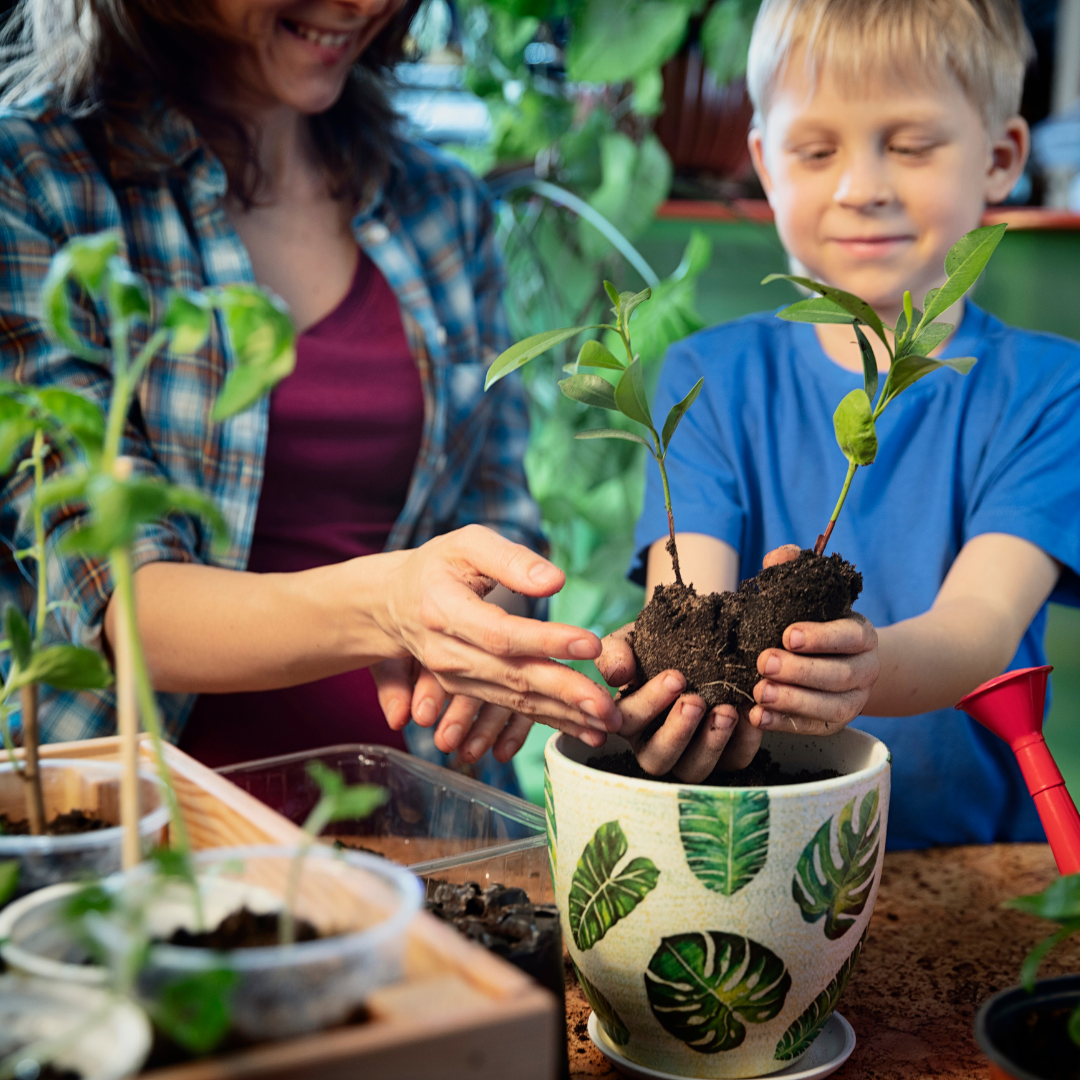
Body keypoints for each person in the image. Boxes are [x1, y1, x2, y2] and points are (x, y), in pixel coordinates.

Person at [0, 0, 621, 772]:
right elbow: (111, 597)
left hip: (423, 821)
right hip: (148, 835)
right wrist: (393, 607)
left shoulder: (441, 206)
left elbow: (498, 514)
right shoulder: (31, 181)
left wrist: (500, 616)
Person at [600, 0, 1080, 848]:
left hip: (965, 861)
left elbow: (982, 628)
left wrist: (860, 669)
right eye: (817, 151)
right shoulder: (709, 377)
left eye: (912, 144)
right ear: (765, 163)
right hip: (753, 853)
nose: (863, 188)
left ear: (1001, 158)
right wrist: (669, 681)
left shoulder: (1047, 389)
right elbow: (690, 599)